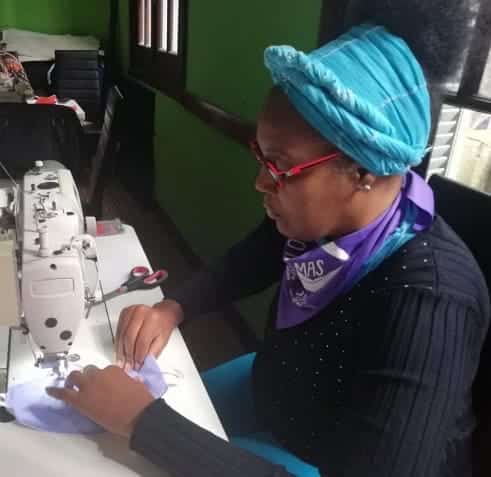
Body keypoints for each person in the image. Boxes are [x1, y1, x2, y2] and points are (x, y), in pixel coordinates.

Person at [46, 1, 490, 476]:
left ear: (361, 170)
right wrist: (172, 308)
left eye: (280, 166)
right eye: (260, 155)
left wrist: (143, 423)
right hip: (286, 393)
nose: (261, 181)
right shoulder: (325, 227)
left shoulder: (430, 300)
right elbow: (256, 256)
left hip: (329, 456)